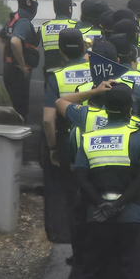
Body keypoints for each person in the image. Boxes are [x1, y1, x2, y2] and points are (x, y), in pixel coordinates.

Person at [59, 85, 140, 279]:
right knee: (127, 275)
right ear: (129, 110)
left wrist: (101, 203)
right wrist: (121, 203)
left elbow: (80, 176)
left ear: (104, 110)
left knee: (89, 273)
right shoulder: (139, 134)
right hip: (132, 217)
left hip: (96, 216)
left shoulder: (90, 137)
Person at [42, 28, 94, 243]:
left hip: (67, 143)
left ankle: (74, 239)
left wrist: (53, 147)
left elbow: (47, 119)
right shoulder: (97, 73)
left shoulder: (56, 77)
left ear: (61, 52)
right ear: (84, 47)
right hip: (95, 139)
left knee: (71, 191)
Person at [0, 0, 44, 121]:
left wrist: (8, 60)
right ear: (29, 2)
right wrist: (22, 65)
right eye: (36, 0)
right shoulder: (23, 21)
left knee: (13, 109)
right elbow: (15, 41)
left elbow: (0, 39)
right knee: (20, 112)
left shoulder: (14, 18)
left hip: (10, 69)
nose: (37, 4)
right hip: (17, 73)